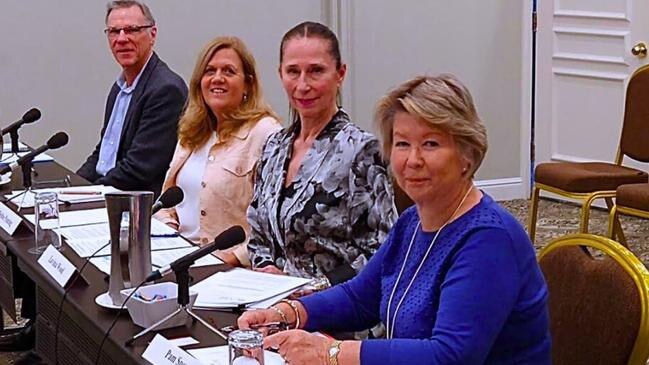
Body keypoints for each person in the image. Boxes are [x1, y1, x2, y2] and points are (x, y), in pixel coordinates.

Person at [239, 75, 551, 364]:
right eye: (402, 143)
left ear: (467, 155)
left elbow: (450, 356)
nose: (413, 160)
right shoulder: (413, 221)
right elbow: (361, 298)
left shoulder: (488, 240)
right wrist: (290, 312)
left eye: (431, 144)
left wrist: (330, 353)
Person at [247, 21, 397, 285]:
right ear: (280, 73)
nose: (303, 85)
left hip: (338, 309)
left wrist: (310, 288)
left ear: (340, 74)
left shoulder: (362, 150)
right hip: (272, 302)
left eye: (316, 71)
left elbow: (381, 252)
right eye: (293, 71)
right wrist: (268, 272)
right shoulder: (273, 147)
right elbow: (258, 234)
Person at [154, 36, 280, 266]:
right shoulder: (191, 131)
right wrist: (167, 230)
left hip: (229, 270)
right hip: (177, 260)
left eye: (229, 72)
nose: (217, 78)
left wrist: (233, 257)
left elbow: (273, 222)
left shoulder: (266, 133)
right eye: (209, 71)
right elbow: (168, 203)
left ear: (248, 84)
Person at [77, 0, 188, 197]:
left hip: (135, 205)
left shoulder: (166, 89)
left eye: (132, 30)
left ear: (152, 34)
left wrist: (88, 194)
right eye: (114, 31)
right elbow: (102, 154)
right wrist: (70, 188)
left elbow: (138, 169)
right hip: (108, 193)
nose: (121, 39)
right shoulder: (119, 88)